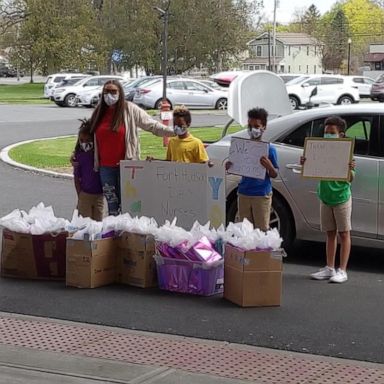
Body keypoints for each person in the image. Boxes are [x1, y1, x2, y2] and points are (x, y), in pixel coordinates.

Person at [89, 79, 174, 216]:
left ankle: (128, 235)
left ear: (120, 93)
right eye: (106, 91)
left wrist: (174, 132)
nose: (109, 95)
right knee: (112, 206)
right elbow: (87, 135)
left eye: (113, 91)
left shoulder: (129, 109)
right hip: (106, 167)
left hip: (127, 166)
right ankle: (114, 234)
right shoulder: (99, 112)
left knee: (128, 205)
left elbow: (151, 125)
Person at [301, 116, 355, 284]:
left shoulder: (346, 153)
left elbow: (351, 178)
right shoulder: (320, 150)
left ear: (341, 134)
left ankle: (342, 270)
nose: (328, 135)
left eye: (332, 132)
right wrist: (305, 162)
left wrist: (350, 169)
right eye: (326, 132)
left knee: (344, 233)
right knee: (330, 233)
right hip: (325, 197)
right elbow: (312, 168)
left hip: (341, 198)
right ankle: (329, 267)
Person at [226, 108, 278, 231]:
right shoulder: (242, 147)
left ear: (264, 127)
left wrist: (269, 166)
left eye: (256, 126)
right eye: (250, 126)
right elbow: (235, 166)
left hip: (261, 194)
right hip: (244, 192)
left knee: (262, 229)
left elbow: (275, 173)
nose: (252, 129)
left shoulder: (269, 149)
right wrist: (230, 165)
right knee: (245, 229)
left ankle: (260, 251)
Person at [73, 119, 104, 221]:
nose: (85, 143)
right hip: (85, 194)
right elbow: (77, 178)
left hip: (99, 195)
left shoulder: (99, 156)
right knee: (84, 224)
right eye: (82, 141)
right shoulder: (79, 157)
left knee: (98, 223)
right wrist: (80, 195)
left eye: (88, 140)